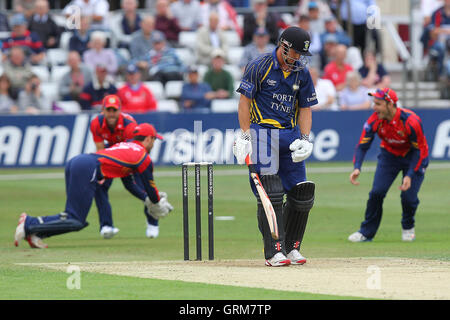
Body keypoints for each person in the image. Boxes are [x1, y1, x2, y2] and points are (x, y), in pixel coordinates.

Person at [233, 27, 317, 267]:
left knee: (302, 193)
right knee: (271, 192)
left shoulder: (302, 72)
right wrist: (246, 136)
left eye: (302, 55)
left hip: (290, 136)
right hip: (262, 134)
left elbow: (305, 107)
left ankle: (292, 248)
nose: (298, 58)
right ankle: (274, 252)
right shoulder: (259, 65)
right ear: (284, 45)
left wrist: (305, 138)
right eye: (295, 53)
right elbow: (245, 101)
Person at [14, 122, 173, 248]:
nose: (153, 144)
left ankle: (36, 233)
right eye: (154, 140)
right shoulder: (143, 157)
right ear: (148, 139)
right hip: (88, 167)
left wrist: (148, 199)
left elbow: (130, 185)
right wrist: (156, 202)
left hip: (78, 162)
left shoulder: (124, 146)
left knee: (71, 215)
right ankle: (29, 223)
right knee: (76, 220)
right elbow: (151, 190)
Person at [348, 88, 429, 243]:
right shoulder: (375, 120)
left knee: (408, 197)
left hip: (414, 157)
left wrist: (410, 175)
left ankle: (408, 227)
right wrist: (357, 167)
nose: (374, 107)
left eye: (378, 104)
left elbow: (419, 150)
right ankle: (366, 232)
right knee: (376, 193)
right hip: (390, 156)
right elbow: (362, 145)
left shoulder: (411, 121)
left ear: (390, 104)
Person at [90, 95, 162, 238]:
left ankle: (152, 222)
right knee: (100, 185)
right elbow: (99, 149)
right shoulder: (96, 123)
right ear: (102, 110)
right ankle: (106, 225)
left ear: (120, 110)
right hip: (111, 153)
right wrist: (102, 171)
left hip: (131, 156)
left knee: (139, 186)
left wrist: (126, 171)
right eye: (108, 110)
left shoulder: (129, 124)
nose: (111, 113)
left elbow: (133, 149)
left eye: (114, 110)